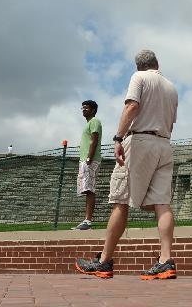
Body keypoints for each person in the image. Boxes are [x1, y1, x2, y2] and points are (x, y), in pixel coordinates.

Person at [75, 50, 179, 280]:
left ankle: (104, 262)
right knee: (162, 203)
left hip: (140, 140)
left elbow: (131, 106)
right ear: (157, 63)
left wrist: (118, 138)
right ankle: (165, 260)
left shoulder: (139, 77)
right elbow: (171, 122)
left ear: (139, 66)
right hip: (164, 143)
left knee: (120, 199)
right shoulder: (171, 87)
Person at [74, 100, 103, 230]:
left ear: (93, 110)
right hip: (85, 160)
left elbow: (94, 140)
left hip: (90, 160)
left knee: (89, 189)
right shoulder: (88, 123)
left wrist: (89, 158)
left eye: (86, 108)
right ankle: (86, 220)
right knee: (86, 189)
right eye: (83, 108)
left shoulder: (94, 122)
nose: (84, 110)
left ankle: (88, 221)